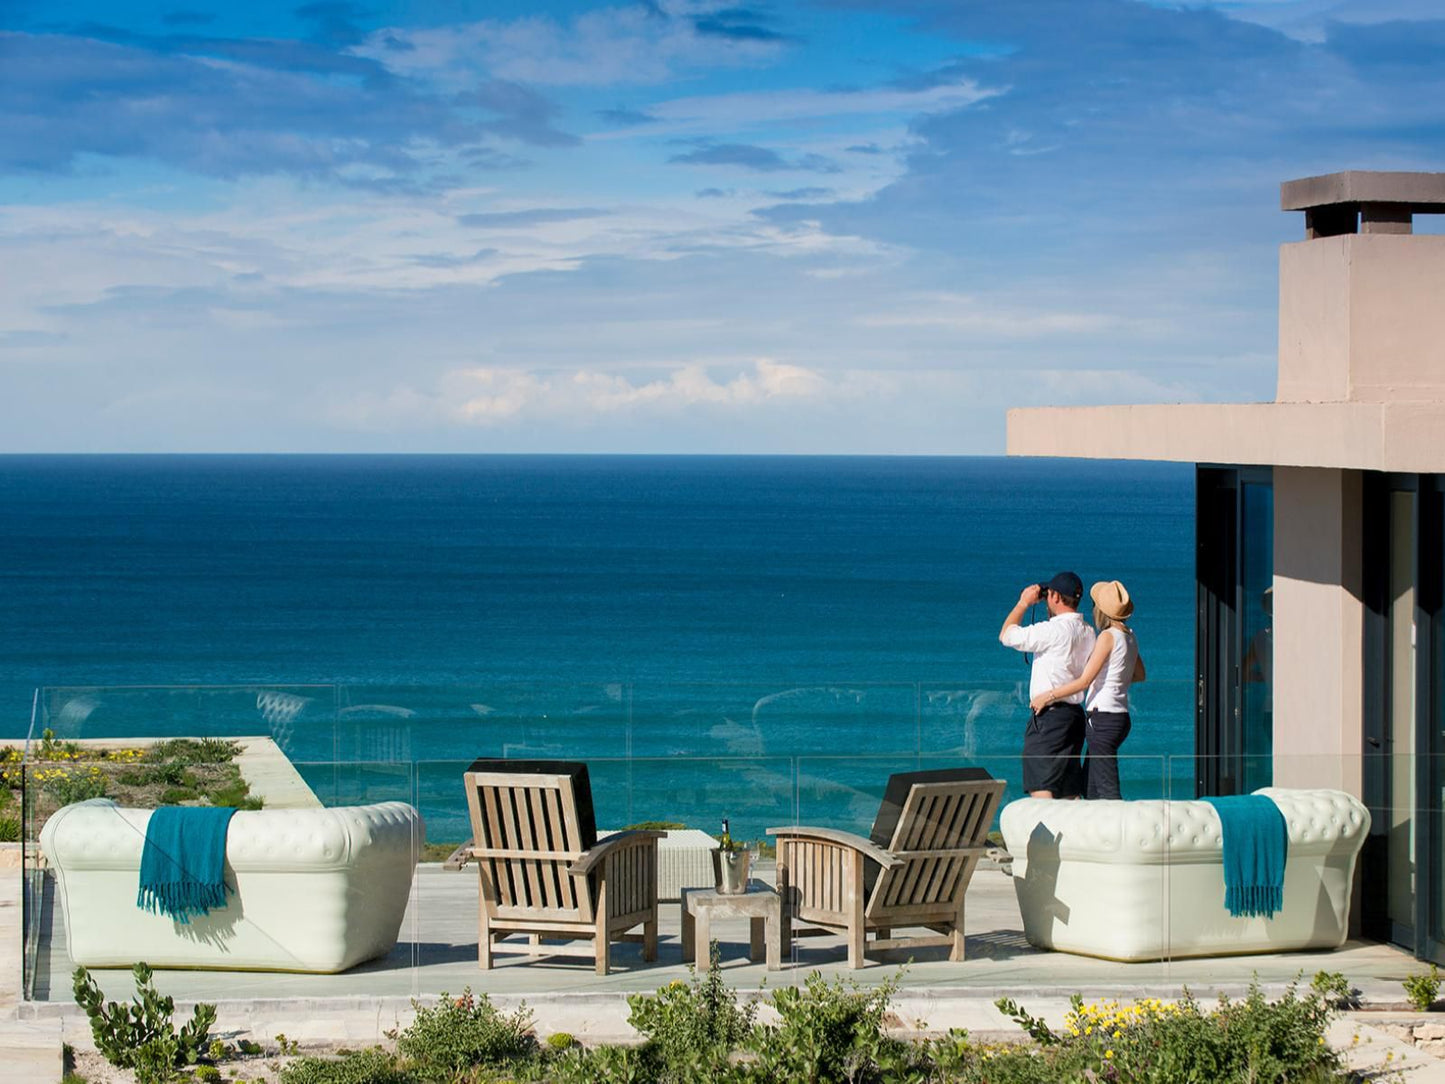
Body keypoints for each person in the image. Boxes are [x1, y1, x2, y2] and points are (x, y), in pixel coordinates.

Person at [1030, 580, 1145, 800]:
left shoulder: (1107, 637)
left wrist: (1047, 696)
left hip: (1103, 719)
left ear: (1100, 610)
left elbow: (1084, 681)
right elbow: (1139, 674)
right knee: (1090, 787)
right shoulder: (1130, 637)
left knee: (1107, 789)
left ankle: (1118, 831)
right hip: (1120, 718)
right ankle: (1094, 831)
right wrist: (1114, 678)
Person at [1000, 571, 1095, 798]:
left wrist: (1023, 603)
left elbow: (1007, 635)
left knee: (1041, 789)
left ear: (1054, 596)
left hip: (1049, 718)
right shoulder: (1089, 632)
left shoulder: (1051, 630)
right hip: (1074, 717)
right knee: (1068, 792)